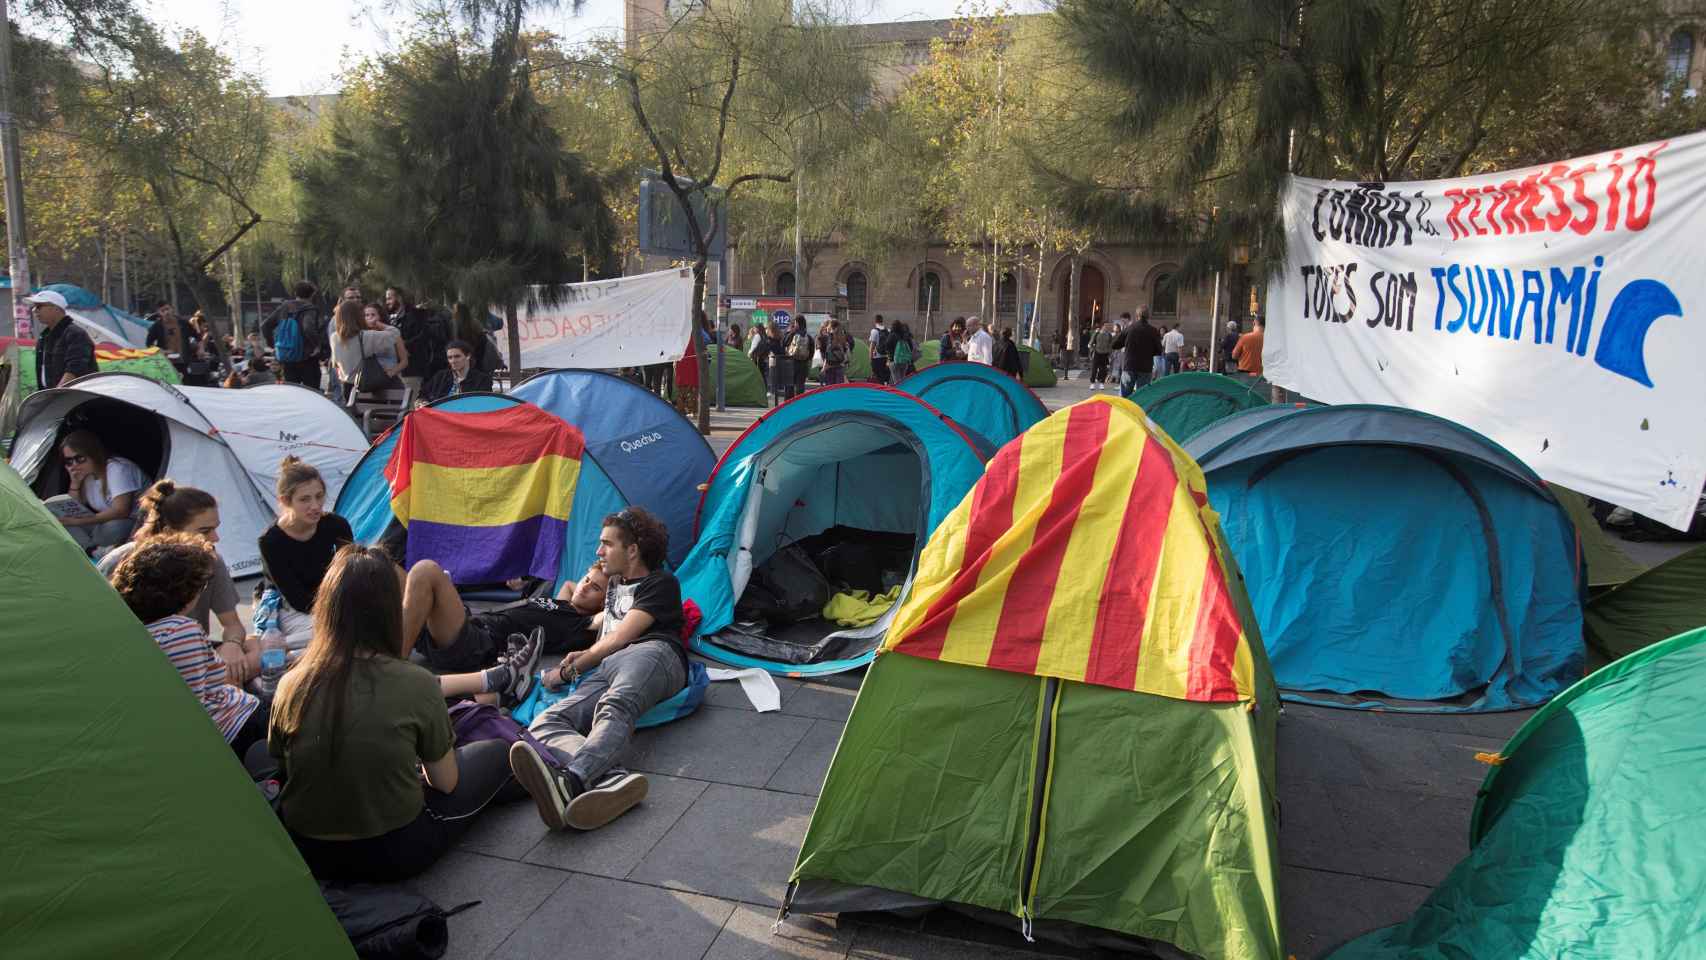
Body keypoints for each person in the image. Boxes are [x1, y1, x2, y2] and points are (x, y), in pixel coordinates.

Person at [268, 545, 518, 883]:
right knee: (499, 753)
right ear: (389, 610)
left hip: (309, 851)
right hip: (392, 852)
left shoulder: (289, 683)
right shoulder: (415, 682)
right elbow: (445, 782)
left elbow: (286, 768)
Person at [509, 508, 687, 831]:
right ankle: (611, 778)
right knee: (545, 721)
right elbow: (606, 633)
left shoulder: (661, 583)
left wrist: (568, 671)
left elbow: (622, 636)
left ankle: (571, 782)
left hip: (654, 654)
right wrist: (584, 653)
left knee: (614, 706)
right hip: (610, 664)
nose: (598, 551)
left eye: (607, 544)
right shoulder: (616, 585)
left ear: (632, 550)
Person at [112, 534, 266, 758]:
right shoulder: (179, 630)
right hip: (238, 724)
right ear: (184, 591)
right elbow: (195, 709)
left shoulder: (136, 629)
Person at [99, 481, 253, 682]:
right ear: (170, 531)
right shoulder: (121, 561)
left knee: (259, 645)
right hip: (142, 662)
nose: (215, 538)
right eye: (204, 531)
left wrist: (232, 644)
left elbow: (232, 624)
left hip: (193, 653)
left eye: (215, 528)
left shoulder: (210, 560)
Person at [258, 456, 354, 653]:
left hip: (332, 601)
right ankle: (279, 646)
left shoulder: (336, 525)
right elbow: (297, 600)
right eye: (304, 499)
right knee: (341, 632)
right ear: (285, 501)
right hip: (291, 608)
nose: (315, 506)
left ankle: (292, 651)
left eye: (319, 496)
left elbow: (352, 571)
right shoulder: (271, 541)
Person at [45, 429, 145, 556]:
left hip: (131, 523)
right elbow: (74, 508)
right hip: (99, 524)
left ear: (93, 453)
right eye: (69, 461)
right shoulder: (86, 475)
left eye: (79, 458)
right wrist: (75, 483)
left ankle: (89, 548)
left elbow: (121, 510)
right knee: (57, 519)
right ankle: (93, 550)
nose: (74, 465)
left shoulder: (117, 468)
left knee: (113, 528)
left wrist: (79, 522)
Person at [329, 300, 406, 402]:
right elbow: (395, 332)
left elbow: (335, 364)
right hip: (368, 385)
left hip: (348, 388)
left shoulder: (334, 337)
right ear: (358, 317)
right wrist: (377, 323)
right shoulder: (366, 336)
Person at [260, 281, 328, 389]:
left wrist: (273, 345)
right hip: (308, 359)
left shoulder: (284, 307)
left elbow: (265, 326)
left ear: (295, 293)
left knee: (291, 393)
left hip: (288, 358)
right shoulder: (311, 309)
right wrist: (317, 345)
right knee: (312, 394)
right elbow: (308, 328)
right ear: (312, 295)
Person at [27, 290, 96, 389]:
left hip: (76, 397)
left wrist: (57, 394)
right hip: (54, 397)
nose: (34, 310)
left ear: (56, 308)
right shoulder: (44, 338)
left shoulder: (75, 334)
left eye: (39, 306)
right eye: (33, 307)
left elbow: (75, 369)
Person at [384, 286, 443, 393]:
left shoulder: (417, 315)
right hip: (393, 371)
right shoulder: (387, 318)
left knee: (409, 404)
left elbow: (422, 338)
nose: (387, 302)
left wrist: (400, 345)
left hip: (411, 371)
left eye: (389, 298)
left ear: (400, 298)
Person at [419, 339, 494, 403]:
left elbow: (483, 404)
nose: (453, 361)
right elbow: (422, 395)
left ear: (468, 356)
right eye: (450, 358)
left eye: (457, 356)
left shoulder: (482, 380)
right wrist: (421, 402)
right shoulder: (440, 377)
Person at [1112, 310, 1164, 398]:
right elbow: (1159, 350)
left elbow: (1115, 345)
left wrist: (1123, 336)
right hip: (1145, 367)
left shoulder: (1129, 328)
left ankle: (1125, 411)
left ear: (1137, 316)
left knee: (1125, 395)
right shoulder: (1153, 330)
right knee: (1142, 396)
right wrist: (1149, 352)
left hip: (1130, 365)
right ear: (1148, 317)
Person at [784, 316, 813, 400]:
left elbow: (784, 343)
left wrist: (790, 332)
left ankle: (788, 404)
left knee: (790, 385)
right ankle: (799, 403)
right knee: (800, 386)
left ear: (797, 323)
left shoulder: (793, 334)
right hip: (803, 363)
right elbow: (811, 352)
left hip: (791, 363)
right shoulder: (808, 337)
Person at [748, 322, 776, 398]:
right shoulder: (765, 336)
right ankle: (766, 390)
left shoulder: (757, 336)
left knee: (759, 375)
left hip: (757, 358)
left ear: (757, 328)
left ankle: (760, 391)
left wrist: (749, 353)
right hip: (764, 357)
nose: (754, 329)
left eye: (754, 328)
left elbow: (753, 347)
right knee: (764, 375)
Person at [818, 320, 849, 385]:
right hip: (840, 367)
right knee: (838, 389)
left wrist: (824, 368)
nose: (827, 327)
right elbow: (846, 352)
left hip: (830, 367)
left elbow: (827, 353)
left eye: (828, 326)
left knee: (830, 389)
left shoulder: (829, 337)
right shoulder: (843, 337)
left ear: (831, 327)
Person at [1233, 316, 1265, 381]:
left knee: (1243, 390)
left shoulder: (1245, 337)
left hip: (1245, 373)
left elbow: (1234, 356)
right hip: (1260, 374)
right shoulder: (1269, 340)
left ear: (1254, 323)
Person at [1089, 320, 1115, 389]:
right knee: (1094, 369)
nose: (1107, 327)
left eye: (1108, 325)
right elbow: (1091, 342)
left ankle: (1101, 383)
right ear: (1102, 326)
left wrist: (1109, 354)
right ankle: (1092, 383)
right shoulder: (1097, 333)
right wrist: (1092, 350)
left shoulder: (1109, 335)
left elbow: (1110, 345)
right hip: (1097, 353)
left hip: (1105, 354)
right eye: (1106, 325)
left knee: (1103, 369)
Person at [868, 316, 890, 384]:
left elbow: (872, 346)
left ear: (875, 321)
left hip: (877, 358)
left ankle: (881, 391)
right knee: (884, 377)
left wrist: (870, 359)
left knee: (878, 379)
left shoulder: (874, 331)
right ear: (882, 320)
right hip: (886, 357)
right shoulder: (888, 330)